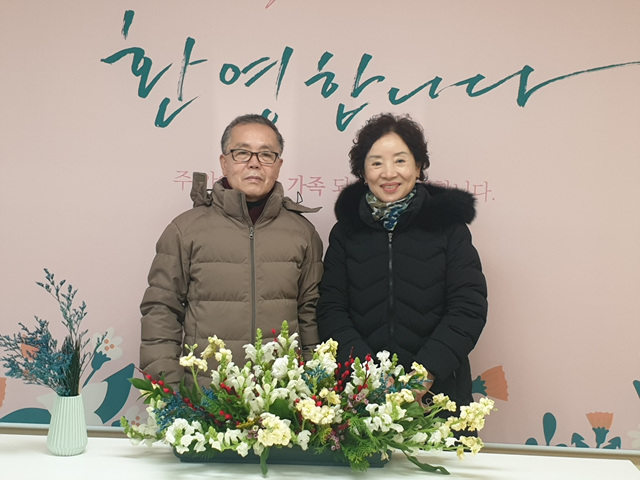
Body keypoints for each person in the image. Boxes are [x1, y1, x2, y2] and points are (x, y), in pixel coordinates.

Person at [317, 113, 487, 409]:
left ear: (418, 167)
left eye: (400, 160)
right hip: (362, 395)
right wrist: (367, 375)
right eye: (376, 163)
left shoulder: (449, 228)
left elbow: (468, 307)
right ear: (363, 171)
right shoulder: (346, 232)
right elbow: (331, 309)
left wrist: (425, 373)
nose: (388, 173)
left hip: (437, 393)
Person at [140, 114, 323, 387]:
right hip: (204, 396)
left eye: (266, 155)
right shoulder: (185, 230)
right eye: (242, 153)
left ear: (278, 166)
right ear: (224, 162)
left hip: (280, 400)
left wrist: (313, 386)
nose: (254, 163)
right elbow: (161, 310)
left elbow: (310, 315)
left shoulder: (303, 233)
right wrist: (171, 391)